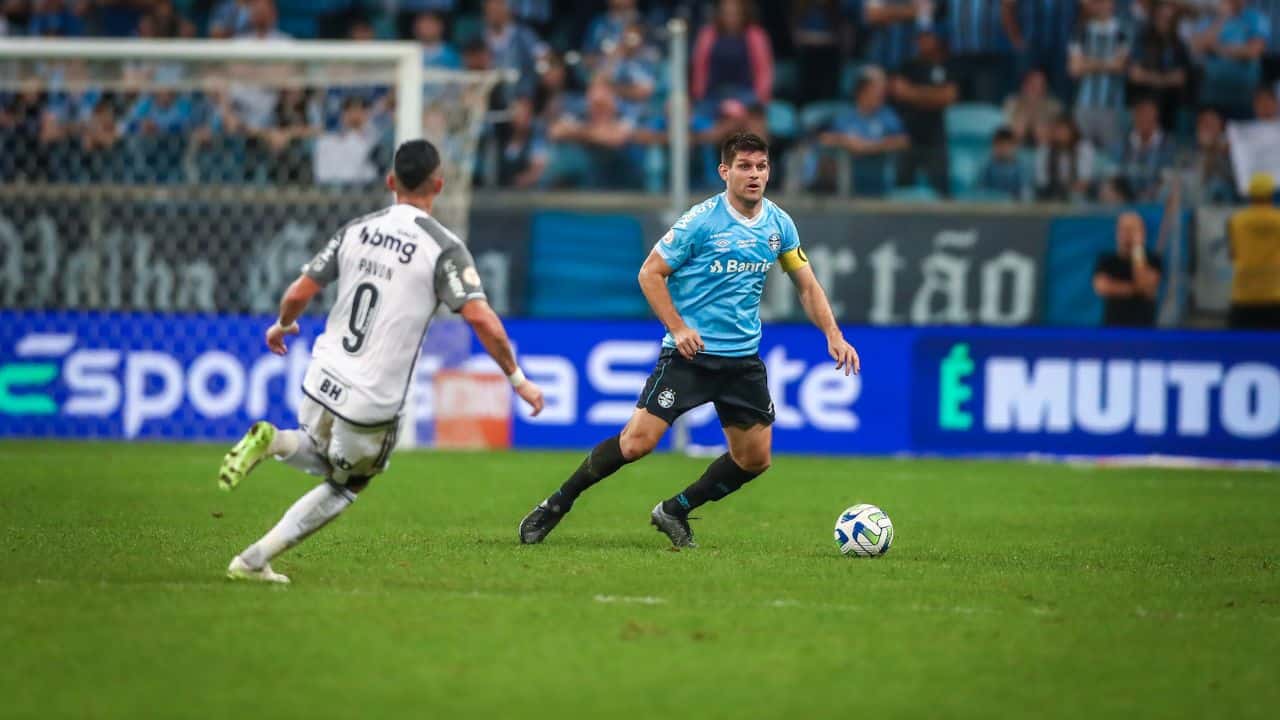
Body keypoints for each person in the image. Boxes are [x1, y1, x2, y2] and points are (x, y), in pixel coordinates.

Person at [220, 139, 545, 583]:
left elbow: (299, 291)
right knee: (347, 484)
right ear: (439, 184)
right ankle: (254, 560)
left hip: (322, 374)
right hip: (372, 396)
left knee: (318, 451)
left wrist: (281, 325)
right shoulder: (443, 247)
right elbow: (481, 318)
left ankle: (274, 440)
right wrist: (517, 377)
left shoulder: (357, 229)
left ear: (391, 182)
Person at [518, 132, 859, 548]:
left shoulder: (779, 225)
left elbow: (806, 285)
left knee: (755, 459)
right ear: (725, 172)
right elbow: (650, 273)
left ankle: (676, 508)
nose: (754, 175)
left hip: (742, 362)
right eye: (744, 167)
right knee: (636, 443)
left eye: (761, 167)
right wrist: (678, 328)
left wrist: (833, 335)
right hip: (690, 357)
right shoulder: (701, 221)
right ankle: (556, 503)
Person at [818, 69, 910, 197]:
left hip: (881, 185)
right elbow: (824, 139)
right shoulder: (846, 116)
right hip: (848, 185)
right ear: (862, 90)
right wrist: (846, 141)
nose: (882, 94)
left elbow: (903, 141)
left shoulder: (888, 116)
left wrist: (871, 146)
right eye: (877, 89)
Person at [890, 28, 957, 196]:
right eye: (920, 38)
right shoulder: (907, 65)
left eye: (928, 36)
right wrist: (932, 95)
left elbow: (948, 97)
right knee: (901, 189)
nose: (923, 41)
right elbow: (899, 91)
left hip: (935, 138)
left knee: (942, 190)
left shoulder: (946, 65)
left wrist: (913, 94)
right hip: (907, 138)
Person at [1190, 0, 1269, 120]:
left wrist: (1216, 48)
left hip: (1244, 98)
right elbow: (1196, 47)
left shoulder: (1256, 18)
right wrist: (1222, 19)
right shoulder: (1210, 19)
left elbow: (1254, 51)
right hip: (1211, 96)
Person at [1070, 0, 1132, 152]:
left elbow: (1120, 66)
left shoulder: (1123, 31)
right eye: (1097, 2)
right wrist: (1108, 63)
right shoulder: (1081, 31)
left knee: (1112, 155)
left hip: (1112, 107)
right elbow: (1075, 69)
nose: (1101, 5)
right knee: (1082, 154)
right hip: (1084, 104)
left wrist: (1088, 63)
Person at [691, 0, 775, 110]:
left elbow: (764, 70)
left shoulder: (756, 35)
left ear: (743, 14)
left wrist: (761, 99)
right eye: (726, 13)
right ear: (719, 14)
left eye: (735, 13)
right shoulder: (707, 34)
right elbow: (699, 68)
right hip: (713, 96)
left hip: (746, 95)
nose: (730, 17)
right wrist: (698, 95)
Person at [1227, 172, 1280, 329]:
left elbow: (1233, 253)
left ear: (1250, 194)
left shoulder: (1236, 221)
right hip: (1275, 295)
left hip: (1244, 295)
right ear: (1271, 193)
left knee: (1240, 349)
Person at [1127, 0, 1191, 131]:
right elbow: (1135, 75)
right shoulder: (1142, 39)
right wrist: (1164, 79)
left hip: (1170, 105)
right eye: (1162, 17)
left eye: (1170, 18)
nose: (1166, 21)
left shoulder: (1178, 44)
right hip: (1143, 102)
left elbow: (1181, 78)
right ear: (1155, 16)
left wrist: (1152, 78)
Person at [1092, 211, 1163, 327]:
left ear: (1142, 232)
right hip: (1113, 328)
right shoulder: (1106, 260)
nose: (1126, 234)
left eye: (1132, 230)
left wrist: (1137, 250)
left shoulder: (1153, 260)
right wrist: (1136, 289)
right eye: (1123, 229)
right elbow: (1102, 287)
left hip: (1143, 328)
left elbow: (1145, 285)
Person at [1118, 95, 1177, 201]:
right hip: (1126, 197)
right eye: (1140, 114)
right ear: (1134, 116)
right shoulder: (1123, 142)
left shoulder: (1168, 143)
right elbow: (1116, 172)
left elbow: (1168, 175)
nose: (1144, 118)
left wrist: (1151, 193)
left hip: (1157, 197)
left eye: (1148, 114)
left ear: (1156, 116)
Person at [1035, 115, 1097, 201]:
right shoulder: (1045, 150)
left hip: (1077, 193)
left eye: (1064, 130)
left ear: (1072, 131)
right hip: (1052, 193)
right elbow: (1042, 180)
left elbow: (1085, 180)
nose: (1061, 134)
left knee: (1077, 197)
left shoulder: (1084, 148)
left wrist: (1070, 189)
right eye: (1058, 130)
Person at [1002, 68, 1063, 147]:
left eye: (1041, 85)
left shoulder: (1055, 105)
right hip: (1016, 145)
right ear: (1024, 85)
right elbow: (1007, 128)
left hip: (1044, 147)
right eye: (1033, 84)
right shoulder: (1012, 102)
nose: (1037, 88)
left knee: (1041, 127)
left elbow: (1058, 133)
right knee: (1020, 123)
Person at [977, 126, 1028, 198]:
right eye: (1000, 146)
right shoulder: (988, 166)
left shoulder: (1019, 167)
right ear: (994, 147)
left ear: (1014, 147)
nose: (1004, 150)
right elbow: (981, 190)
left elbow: (1024, 191)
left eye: (1007, 146)